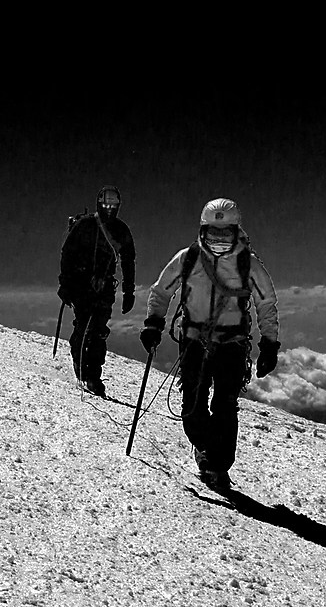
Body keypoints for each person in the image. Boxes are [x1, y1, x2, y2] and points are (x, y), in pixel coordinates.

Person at [139, 198, 281, 492]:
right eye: (213, 235)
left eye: (225, 235)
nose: (218, 242)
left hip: (232, 343)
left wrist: (270, 344)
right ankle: (204, 448)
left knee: (225, 405)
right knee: (192, 405)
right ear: (203, 231)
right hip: (194, 339)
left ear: (235, 232)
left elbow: (265, 303)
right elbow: (161, 291)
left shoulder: (247, 263)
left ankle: (216, 465)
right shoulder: (188, 258)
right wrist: (153, 322)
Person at [56, 186, 137, 397]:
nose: (109, 210)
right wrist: (65, 284)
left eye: (113, 206)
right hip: (81, 285)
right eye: (106, 205)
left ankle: (93, 376)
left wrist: (129, 292)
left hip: (103, 288)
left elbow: (129, 261)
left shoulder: (121, 230)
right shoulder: (85, 225)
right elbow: (68, 253)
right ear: (99, 205)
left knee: (99, 331)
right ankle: (82, 366)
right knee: (85, 326)